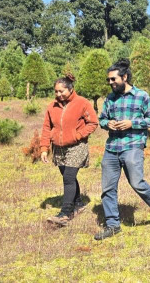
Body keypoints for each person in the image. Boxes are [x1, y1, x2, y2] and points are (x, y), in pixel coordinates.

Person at [94, 59, 150, 240]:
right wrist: (107, 124)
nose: (110, 83)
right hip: (112, 147)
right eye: (109, 80)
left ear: (124, 77)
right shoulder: (109, 99)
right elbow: (101, 119)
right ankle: (113, 225)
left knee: (136, 182)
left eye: (113, 79)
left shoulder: (141, 96)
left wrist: (131, 123)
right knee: (107, 188)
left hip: (133, 145)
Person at [40, 74, 98, 227]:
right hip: (58, 147)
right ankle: (78, 203)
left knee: (68, 177)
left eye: (61, 91)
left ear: (70, 89)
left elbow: (93, 122)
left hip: (76, 146)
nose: (58, 94)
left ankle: (65, 213)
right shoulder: (52, 106)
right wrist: (44, 148)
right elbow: (47, 127)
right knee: (67, 176)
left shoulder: (82, 103)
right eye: (56, 92)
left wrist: (78, 135)